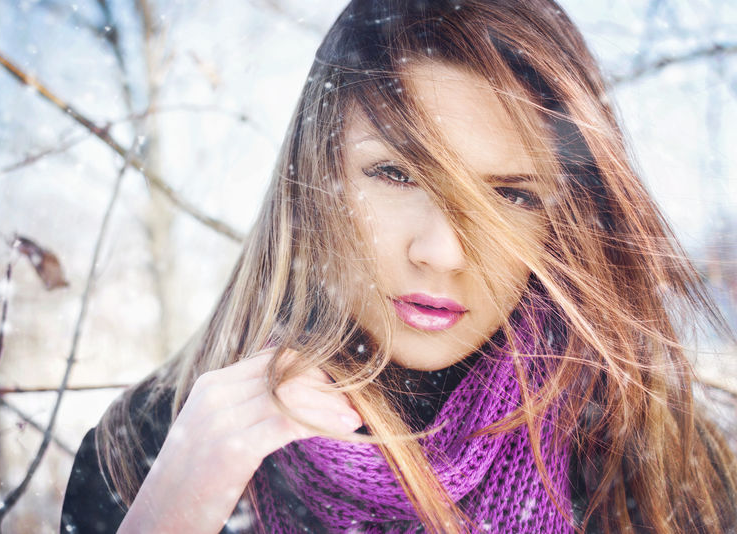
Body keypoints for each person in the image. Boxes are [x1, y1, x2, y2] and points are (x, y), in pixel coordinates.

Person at [60, 0, 737, 532]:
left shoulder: (658, 463)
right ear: (316, 178)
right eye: (396, 174)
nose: (442, 251)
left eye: (509, 196)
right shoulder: (148, 453)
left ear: (563, 219)